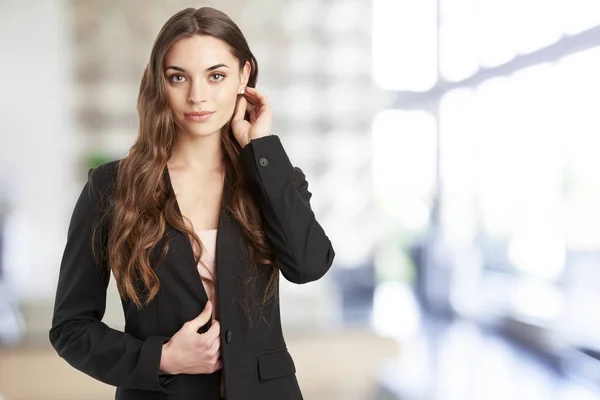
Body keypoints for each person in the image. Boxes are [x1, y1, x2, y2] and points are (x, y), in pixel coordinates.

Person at [49, 6, 335, 400]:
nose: (197, 96)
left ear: (244, 75)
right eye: (178, 77)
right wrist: (162, 358)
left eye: (216, 76)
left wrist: (262, 147)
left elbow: (309, 265)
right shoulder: (112, 187)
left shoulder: (271, 175)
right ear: (158, 82)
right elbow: (70, 328)